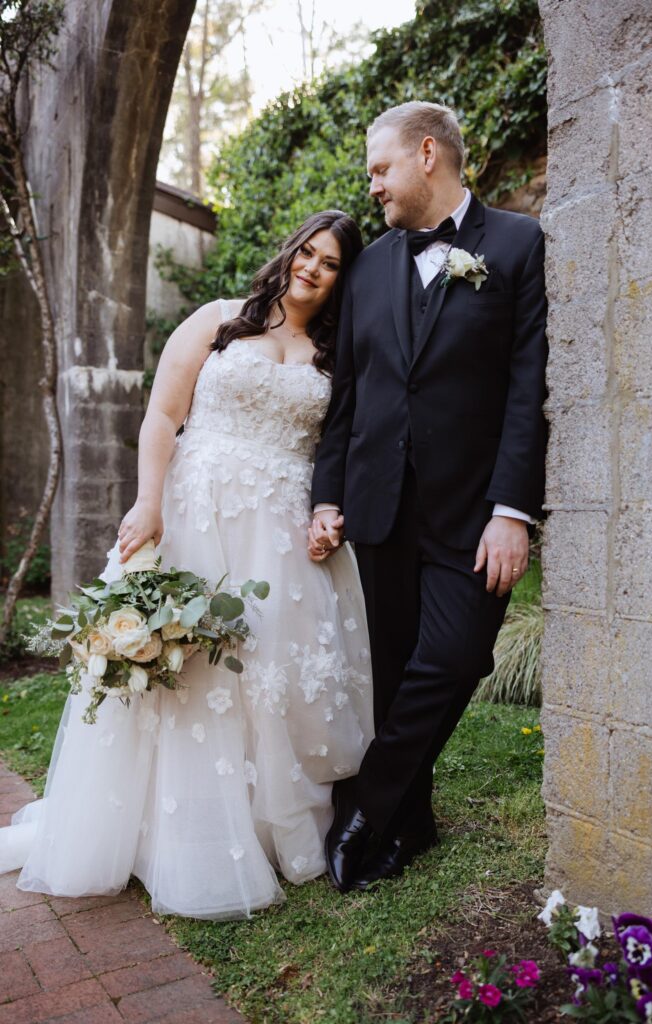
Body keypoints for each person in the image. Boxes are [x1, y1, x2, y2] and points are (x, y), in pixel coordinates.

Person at [0, 210, 374, 919]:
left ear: (339, 279)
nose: (312, 269)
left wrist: (328, 512)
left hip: (282, 530)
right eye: (306, 252)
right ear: (288, 250)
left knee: (272, 672)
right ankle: (176, 829)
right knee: (189, 667)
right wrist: (149, 506)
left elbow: (340, 446)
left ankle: (271, 823)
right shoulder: (218, 320)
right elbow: (161, 417)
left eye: (329, 263)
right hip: (197, 511)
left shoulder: (334, 354)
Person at [308, 102, 547, 892]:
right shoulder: (370, 264)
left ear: (425, 154)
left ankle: (363, 809)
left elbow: (527, 387)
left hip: (471, 512)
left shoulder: (515, 244)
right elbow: (350, 394)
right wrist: (327, 497)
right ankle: (411, 826)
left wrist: (511, 509)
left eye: (379, 169)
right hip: (377, 507)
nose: (372, 185)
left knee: (452, 659)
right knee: (393, 674)